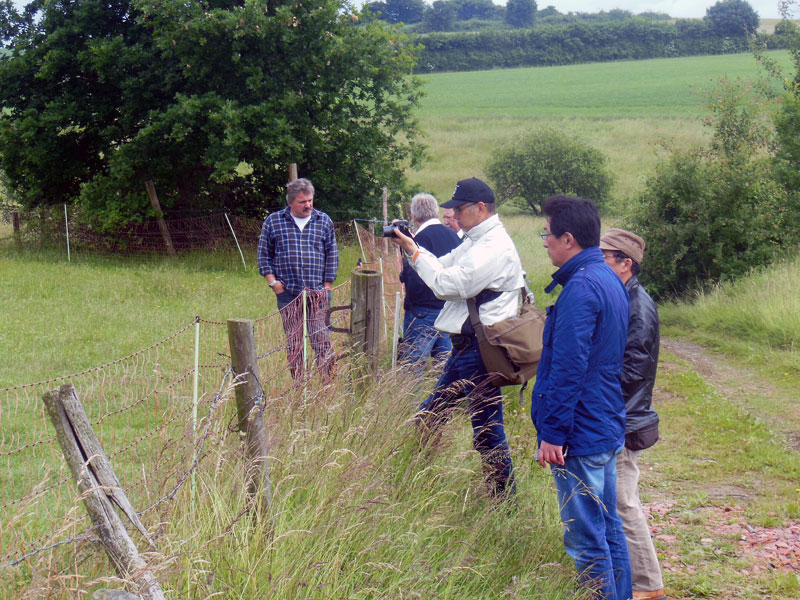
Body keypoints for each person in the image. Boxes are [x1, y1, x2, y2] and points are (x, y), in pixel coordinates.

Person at [392, 177, 525, 497]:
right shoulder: (477, 239)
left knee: (487, 430)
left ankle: (506, 502)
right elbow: (445, 266)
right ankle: (411, 478)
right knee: (432, 413)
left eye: (459, 209)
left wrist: (413, 250)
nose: (454, 215)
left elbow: (448, 285)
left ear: (481, 209)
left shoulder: (492, 247)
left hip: (480, 349)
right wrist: (414, 248)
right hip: (469, 347)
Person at [530, 195, 632, 600]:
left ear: (568, 239)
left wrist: (553, 432)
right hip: (603, 424)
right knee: (609, 530)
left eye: (547, 234)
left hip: (581, 434)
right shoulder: (607, 278)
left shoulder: (582, 288)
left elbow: (569, 368)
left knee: (587, 541)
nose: (544, 242)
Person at [600, 228, 666, 600]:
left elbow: (631, 373)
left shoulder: (638, 307)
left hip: (623, 419)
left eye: (605, 257)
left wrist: (595, 400)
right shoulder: (623, 298)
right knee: (619, 501)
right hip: (618, 415)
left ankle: (648, 585)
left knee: (625, 502)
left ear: (626, 264)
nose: (599, 263)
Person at [257, 178, 338, 383]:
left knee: (321, 340)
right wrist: (273, 283)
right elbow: (264, 254)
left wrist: (327, 287)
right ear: (291, 202)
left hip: (317, 294)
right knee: (294, 343)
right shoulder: (274, 222)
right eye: (303, 202)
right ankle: (299, 386)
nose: (308, 205)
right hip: (288, 294)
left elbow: (332, 255)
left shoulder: (323, 221)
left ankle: (327, 384)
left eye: (310, 200)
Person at [398, 193, 461, 376]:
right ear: (436, 213)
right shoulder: (454, 237)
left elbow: (415, 279)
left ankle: (410, 403)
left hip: (422, 311)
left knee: (412, 367)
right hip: (449, 309)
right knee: (444, 367)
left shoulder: (416, 240)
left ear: (414, 217)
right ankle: (446, 403)